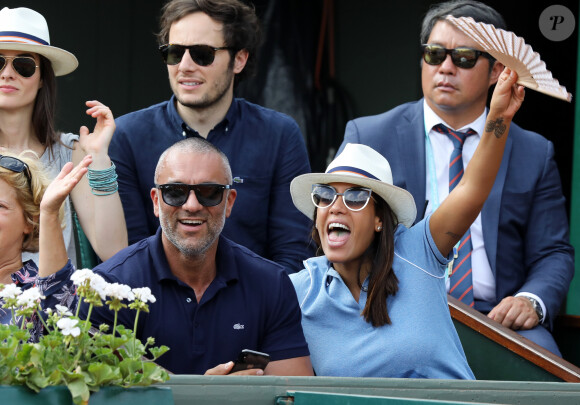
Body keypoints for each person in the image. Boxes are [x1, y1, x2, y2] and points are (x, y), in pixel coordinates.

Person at [339, 0, 573, 356]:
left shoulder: (533, 152)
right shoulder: (370, 136)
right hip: (393, 310)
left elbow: (553, 252)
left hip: (496, 320)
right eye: (434, 54)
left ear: (497, 71)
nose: (445, 68)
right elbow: (335, 231)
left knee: (550, 370)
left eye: (463, 57)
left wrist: (530, 301)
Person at [290, 66, 523, 378]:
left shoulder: (418, 250)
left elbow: (471, 191)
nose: (336, 207)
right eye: (325, 195)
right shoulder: (299, 292)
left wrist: (499, 118)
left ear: (379, 221)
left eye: (356, 197)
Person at [109, 0, 312, 273]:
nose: (185, 66)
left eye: (202, 54)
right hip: (158, 308)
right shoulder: (127, 136)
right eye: (174, 53)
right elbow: (131, 255)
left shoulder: (279, 135)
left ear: (239, 59)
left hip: (255, 309)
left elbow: (293, 257)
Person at [80, 137, 313, 375]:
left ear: (229, 202)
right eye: (175, 192)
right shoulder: (110, 286)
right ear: (156, 201)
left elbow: (294, 391)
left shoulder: (271, 283)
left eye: (209, 192)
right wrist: (209, 395)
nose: (192, 205)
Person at [0, 7, 127, 265]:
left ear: (42, 78)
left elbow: (114, 252)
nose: (7, 73)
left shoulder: (70, 152)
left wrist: (99, 158)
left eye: (24, 65)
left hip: (54, 304)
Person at [0, 150, 91, 341]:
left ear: (30, 220)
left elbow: (58, 306)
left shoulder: (35, 292)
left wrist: (49, 213)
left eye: (0, 206)